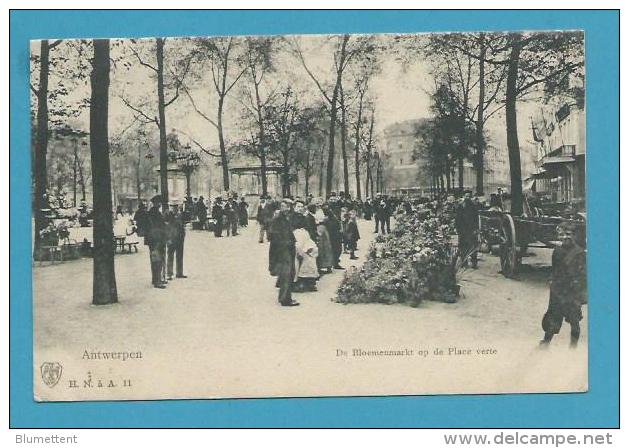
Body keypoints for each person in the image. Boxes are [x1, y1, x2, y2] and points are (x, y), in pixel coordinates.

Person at [540, 222, 587, 348]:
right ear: (559, 236)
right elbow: (554, 270)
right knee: (553, 319)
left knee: (574, 323)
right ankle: (545, 343)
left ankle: (573, 348)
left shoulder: (580, 253)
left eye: (569, 234)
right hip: (558, 291)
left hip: (572, 292)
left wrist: (580, 296)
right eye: (563, 234)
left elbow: (583, 276)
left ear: (574, 235)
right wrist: (552, 282)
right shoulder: (557, 251)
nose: (566, 237)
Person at [268, 199, 299, 307]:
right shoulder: (277, 220)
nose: (284, 208)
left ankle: (286, 297)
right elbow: (272, 235)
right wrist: (285, 243)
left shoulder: (287, 218)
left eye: (286, 206)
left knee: (289, 273)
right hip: (282, 250)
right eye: (282, 206)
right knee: (286, 273)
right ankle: (285, 299)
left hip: (288, 249)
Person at [145, 195, 167, 289]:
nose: (160, 204)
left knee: (156, 259)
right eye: (159, 203)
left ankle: (156, 279)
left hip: (154, 239)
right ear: (156, 203)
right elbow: (158, 227)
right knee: (157, 259)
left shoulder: (153, 212)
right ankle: (157, 281)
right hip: (156, 240)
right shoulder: (155, 213)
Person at [293, 215, 319, 292]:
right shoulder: (304, 231)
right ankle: (309, 284)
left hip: (304, 252)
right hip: (307, 252)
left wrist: (300, 252)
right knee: (308, 267)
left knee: (301, 268)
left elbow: (299, 244)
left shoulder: (297, 232)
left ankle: (301, 283)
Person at [455, 191, 480, 269]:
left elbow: (476, 219)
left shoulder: (474, 207)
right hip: (463, 230)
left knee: (473, 246)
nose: (467, 198)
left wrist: (476, 229)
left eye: (469, 196)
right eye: (466, 196)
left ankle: (474, 263)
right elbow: (457, 219)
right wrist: (458, 229)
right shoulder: (460, 206)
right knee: (463, 246)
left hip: (471, 230)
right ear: (464, 197)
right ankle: (464, 262)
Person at [165, 201, 187, 281]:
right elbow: (167, 228)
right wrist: (168, 238)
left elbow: (182, 225)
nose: (175, 208)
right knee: (170, 256)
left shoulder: (180, 215)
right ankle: (169, 274)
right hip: (172, 238)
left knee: (179, 256)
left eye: (176, 207)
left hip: (180, 239)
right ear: (171, 207)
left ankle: (179, 272)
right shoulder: (168, 216)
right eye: (173, 207)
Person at [324, 205, 344, 270]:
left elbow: (339, 224)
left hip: (336, 235)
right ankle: (334, 264)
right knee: (334, 250)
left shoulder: (334, 218)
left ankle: (335, 263)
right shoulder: (326, 220)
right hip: (331, 236)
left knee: (338, 250)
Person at [315, 210, 334, 274]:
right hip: (323, 229)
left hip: (321, 229)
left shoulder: (320, 211)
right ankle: (327, 266)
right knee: (326, 250)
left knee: (324, 250)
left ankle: (326, 266)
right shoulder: (319, 211)